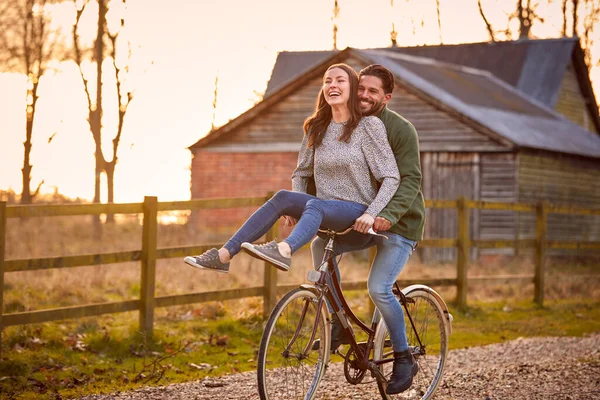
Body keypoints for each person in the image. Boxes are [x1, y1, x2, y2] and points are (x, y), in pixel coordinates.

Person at [184, 63, 400, 275]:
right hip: (325, 208)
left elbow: (391, 177)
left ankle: (284, 250)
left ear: (352, 88)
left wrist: (371, 214)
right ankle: (223, 255)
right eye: (327, 81)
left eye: (340, 80)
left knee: (315, 205)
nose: (332, 85)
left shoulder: (368, 126)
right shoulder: (317, 128)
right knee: (283, 198)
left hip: (357, 212)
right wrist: (296, 204)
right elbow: (301, 173)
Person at [310, 64, 425, 395]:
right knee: (320, 248)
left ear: (386, 97)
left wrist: (387, 214)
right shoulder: (342, 124)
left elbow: (409, 179)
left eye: (373, 92)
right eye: (362, 88)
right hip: (360, 218)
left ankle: (404, 358)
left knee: (378, 288)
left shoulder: (400, 130)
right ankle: (336, 325)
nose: (364, 95)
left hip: (397, 223)